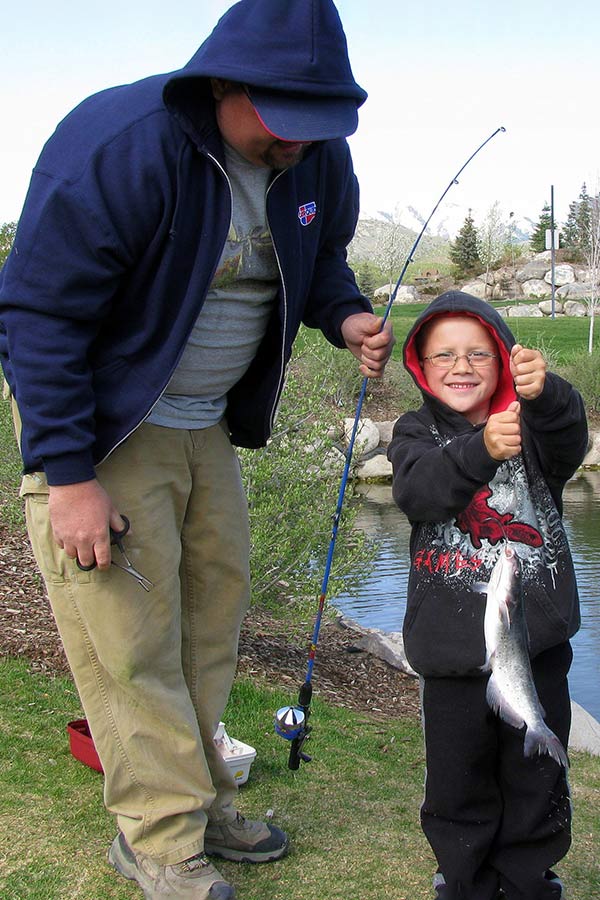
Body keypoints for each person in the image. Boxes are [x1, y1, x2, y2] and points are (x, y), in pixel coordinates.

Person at [0, 1, 394, 897]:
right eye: (283, 123)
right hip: (108, 431)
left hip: (207, 424)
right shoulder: (117, 146)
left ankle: (204, 792)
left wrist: (346, 314)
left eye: (318, 125)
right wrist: (68, 475)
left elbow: (322, 256)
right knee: (132, 642)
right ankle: (158, 837)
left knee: (211, 623)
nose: (299, 145)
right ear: (222, 83)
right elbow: (38, 316)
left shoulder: (316, 159)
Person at [386, 291, 587, 900]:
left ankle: (530, 879)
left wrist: (546, 394)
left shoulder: (534, 428)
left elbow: (570, 438)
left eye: (478, 353)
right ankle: (464, 881)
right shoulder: (415, 431)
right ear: (421, 366)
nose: (461, 365)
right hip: (451, 653)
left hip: (537, 646)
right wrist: (479, 450)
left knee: (536, 779)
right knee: (457, 780)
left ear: (503, 360)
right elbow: (419, 493)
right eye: (443, 355)